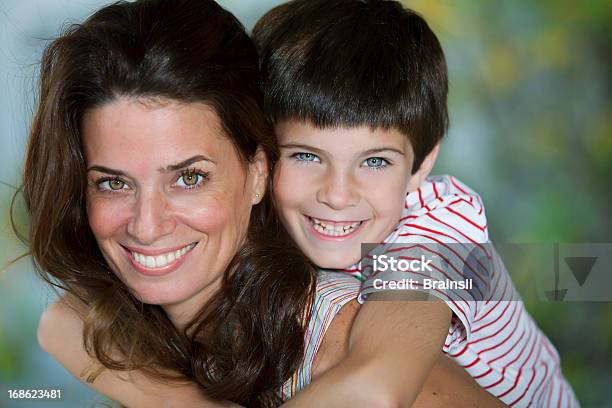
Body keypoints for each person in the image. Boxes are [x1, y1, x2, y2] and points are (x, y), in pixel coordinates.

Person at [24, 0, 506, 407]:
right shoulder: (122, 321)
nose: (147, 226)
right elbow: (63, 322)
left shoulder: (328, 342)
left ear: (259, 173)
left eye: (189, 178)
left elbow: (376, 387)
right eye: (113, 184)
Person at [253, 0, 579, 406]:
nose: (337, 195)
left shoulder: (441, 228)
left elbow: (374, 388)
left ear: (421, 165)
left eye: (375, 161)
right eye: (306, 155)